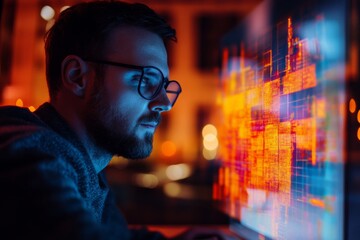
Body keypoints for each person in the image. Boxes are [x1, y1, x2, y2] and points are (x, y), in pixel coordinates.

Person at [0, 1, 233, 239]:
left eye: (164, 85)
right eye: (145, 79)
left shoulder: (89, 168)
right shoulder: (31, 154)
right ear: (77, 77)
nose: (164, 102)